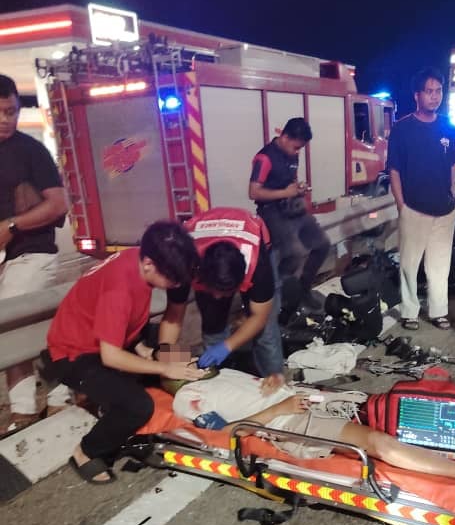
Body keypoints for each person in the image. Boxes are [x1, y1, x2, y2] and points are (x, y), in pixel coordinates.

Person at [171, 369, 455, 503]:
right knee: (376, 440)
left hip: (302, 398)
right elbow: (223, 433)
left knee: (392, 409)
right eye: (176, 360)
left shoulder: (218, 371)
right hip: (288, 423)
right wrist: (276, 411)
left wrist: (278, 382)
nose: (190, 358)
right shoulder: (188, 396)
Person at [47, 221, 206, 484]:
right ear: (149, 265)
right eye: (173, 278)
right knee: (137, 405)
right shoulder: (118, 289)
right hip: (75, 354)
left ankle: (141, 426)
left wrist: (159, 356)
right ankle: (86, 452)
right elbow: (110, 356)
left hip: (112, 340)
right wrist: (165, 367)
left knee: (178, 360)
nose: (177, 283)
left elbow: (131, 329)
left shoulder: (140, 257)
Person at [0, 73, 69, 436]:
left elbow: (58, 204)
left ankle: (26, 408)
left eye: (11, 111)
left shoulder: (30, 151)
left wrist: (11, 226)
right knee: (28, 328)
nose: (5, 120)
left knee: (13, 322)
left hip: (31, 251)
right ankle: (59, 392)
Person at [159, 206, 285, 390]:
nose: (218, 297)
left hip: (254, 237)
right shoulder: (184, 262)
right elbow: (173, 317)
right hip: (203, 248)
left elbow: (259, 317)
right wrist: (167, 361)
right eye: (214, 290)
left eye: (225, 293)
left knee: (266, 332)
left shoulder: (258, 265)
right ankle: (219, 384)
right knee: (213, 328)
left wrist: (227, 346)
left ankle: (276, 386)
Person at [387, 67, 455, 331]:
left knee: (439, 266)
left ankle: (439, 311)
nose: (434, 96)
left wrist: (451, 192)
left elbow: (452, 164)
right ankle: (409, 312)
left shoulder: (447, 127)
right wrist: (401, 204)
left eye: (438, 91)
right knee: (409, 263)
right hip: (414, 209)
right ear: (417, 95)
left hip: (444, 209)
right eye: (429, 91)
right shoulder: (402, 128)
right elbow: (393, 169)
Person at [248, 117, 330, 308]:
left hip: (293, 207)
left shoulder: (292, 154)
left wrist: (298, 188)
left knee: (322, 244)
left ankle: (303, 290)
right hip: (271, 212)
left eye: (300, 148)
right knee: (295, 253)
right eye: (296, 147)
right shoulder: (265, 158)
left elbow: (290, 180)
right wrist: (285, 192)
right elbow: (253, 192)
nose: (297, 151)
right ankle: (283, 301)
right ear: (284, 137)